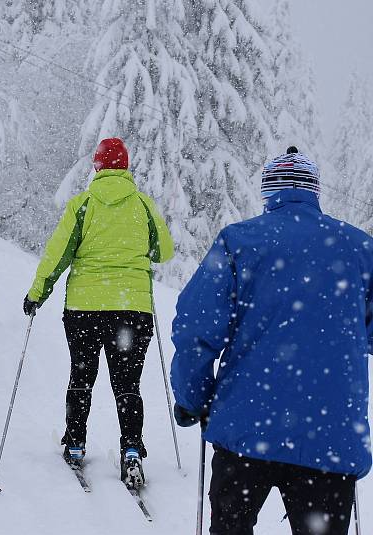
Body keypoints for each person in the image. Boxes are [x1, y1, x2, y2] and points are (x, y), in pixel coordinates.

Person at [171, 147, 371, 535]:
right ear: (314, 191)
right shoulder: (360, 250)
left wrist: (193, 399)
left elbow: (196, 330)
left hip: (244, 433)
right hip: (329, 440)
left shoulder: (239, 242)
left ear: (269, 192)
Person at [23, 137, 173, 489]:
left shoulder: (83, 204)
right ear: (125, 167)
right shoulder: (143, 205)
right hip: (131, 309)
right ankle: (132, 450)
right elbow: (163, 251)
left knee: (82, 376)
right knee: (127, 383)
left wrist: (37, 293)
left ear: (97, 167)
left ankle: (75, 444)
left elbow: (58, 254)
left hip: (84, 309)